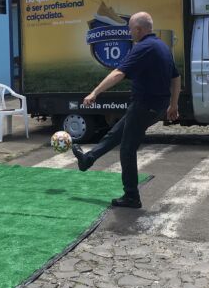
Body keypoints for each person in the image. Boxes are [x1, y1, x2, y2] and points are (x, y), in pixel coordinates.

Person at [71, 12, 181, 208]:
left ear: (139, 29)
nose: (130, 33)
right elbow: (176, 77)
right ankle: (88, 159)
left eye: (130, 29)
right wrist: (174, 104)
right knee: (116, 133)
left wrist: (94, 92)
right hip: (156, 105)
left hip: (144, 105)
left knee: (127, 149)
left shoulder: (143, 47)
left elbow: (118, 73)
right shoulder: (162, 46)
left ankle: (131, 196)